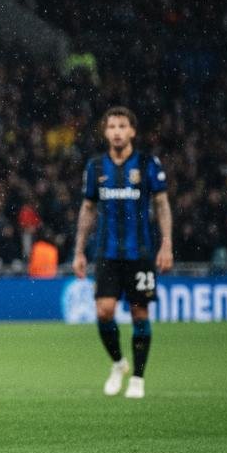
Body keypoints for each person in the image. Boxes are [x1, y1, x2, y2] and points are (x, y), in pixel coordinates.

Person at [72, 107, 172, 399]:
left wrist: (166, 243)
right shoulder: (96, 167)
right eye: (111, 126)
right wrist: (79, 250)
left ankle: (138, 378)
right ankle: (118, 363)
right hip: (106, 253)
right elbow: (88, 208)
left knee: (140, 313)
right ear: (105, 132)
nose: (116, 131)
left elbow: (162, 204)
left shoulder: (147, 163)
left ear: (132, 131)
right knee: (104, 312)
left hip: (140, 253)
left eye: (122, 126)